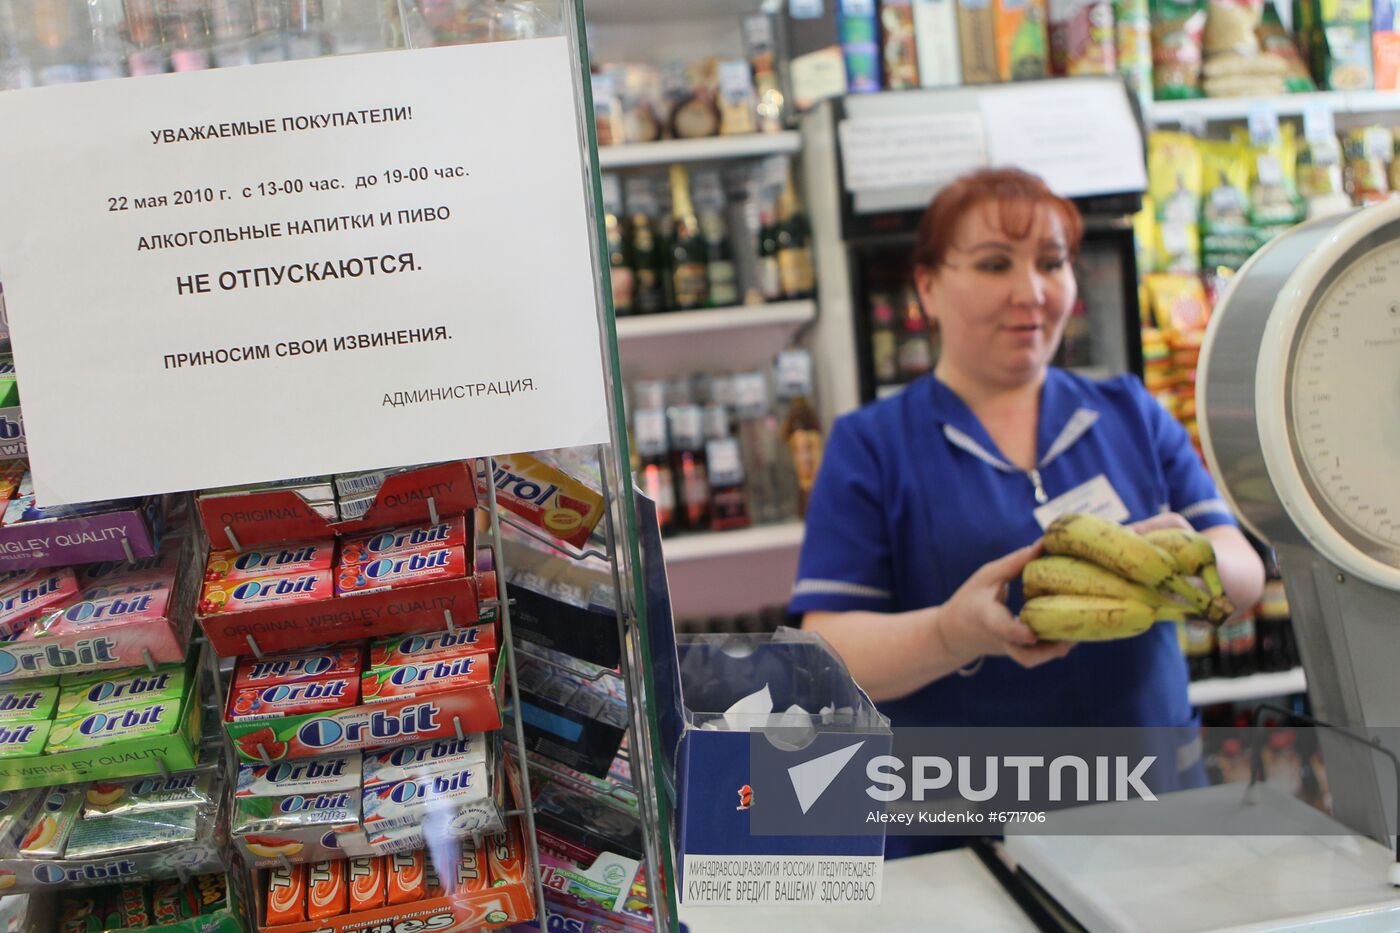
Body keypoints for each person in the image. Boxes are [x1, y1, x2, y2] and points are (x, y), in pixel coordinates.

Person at [790, 168, 1265, 855]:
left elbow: (1242, 569)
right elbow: (829, 654)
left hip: (1151, 809)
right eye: (994, 264)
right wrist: (951, 634)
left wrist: (1193, 562)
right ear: (928, 286)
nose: (1032, 292)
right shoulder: (873, 445)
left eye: (1051, 262)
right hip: (964, 838)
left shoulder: (1129, 411)